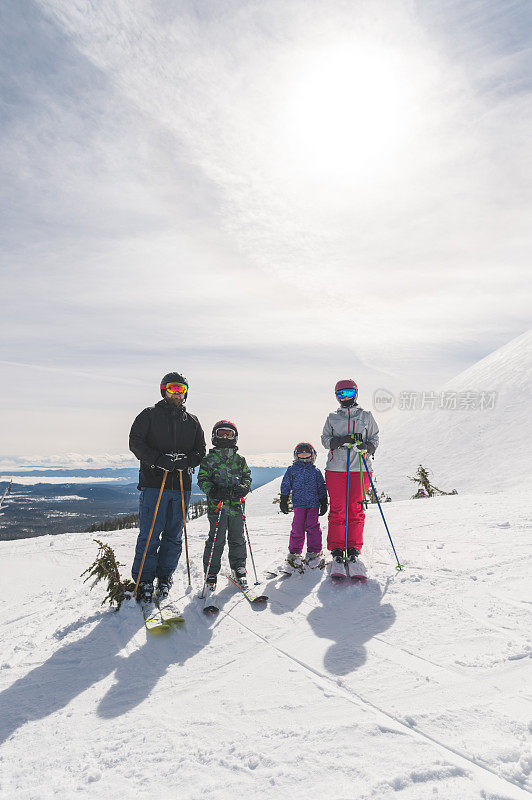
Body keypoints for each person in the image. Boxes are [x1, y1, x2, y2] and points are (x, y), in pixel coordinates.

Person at [129, 372, 206, 603]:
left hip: (181, 485)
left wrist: (186, 461)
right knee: (151, 533)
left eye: (180, 389)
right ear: (164, 390)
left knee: (173, 535)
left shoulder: (192, 421)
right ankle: (143, 580)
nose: (176, 393)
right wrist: (158, 459)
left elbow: (200, 450)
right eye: (172, 388)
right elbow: (135, 442)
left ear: (186, 393)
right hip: (154, 483)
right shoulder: (149, 415)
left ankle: (164, 577)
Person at [321, 379, 379, 570]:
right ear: (336, 396)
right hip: (336, 469)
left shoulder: (366, 416)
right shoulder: (332, 418)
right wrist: (338, 441)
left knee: (355, 508)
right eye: (341, 394)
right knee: (338, 509)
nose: (345, 398)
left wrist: (367, 446)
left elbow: (374, 438)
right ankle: (337, 548)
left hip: (359, 468)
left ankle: (353, 546)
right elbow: (324, 440)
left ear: (356, 393)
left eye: (348, 393)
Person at [198, 420, 252, 589]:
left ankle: (239, 567)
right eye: (221, 433)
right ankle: (211, 571)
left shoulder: (239, 460)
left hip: (236, 505)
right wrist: (213, 491)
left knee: (237, 537)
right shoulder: (209, 459)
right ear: (215, 436)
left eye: (229, 434)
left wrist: (244, 487)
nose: (225, 436)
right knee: (216, 538)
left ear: (235, 437)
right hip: (218, 506)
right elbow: (202, 479)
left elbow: (247, 477)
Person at [279, 442, 328, 570]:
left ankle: (314, 551)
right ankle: (294, 553)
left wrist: (324, 501)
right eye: (301, 454)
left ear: (312, 455)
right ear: (296, 456)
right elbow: (286, 483)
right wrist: (284, 498)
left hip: (313, 504)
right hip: (299, 504)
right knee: (297, 527)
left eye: (307, 454)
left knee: (313, 527)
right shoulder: (292, 469)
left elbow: (321, 486)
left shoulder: (315, 471)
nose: (304, 456)